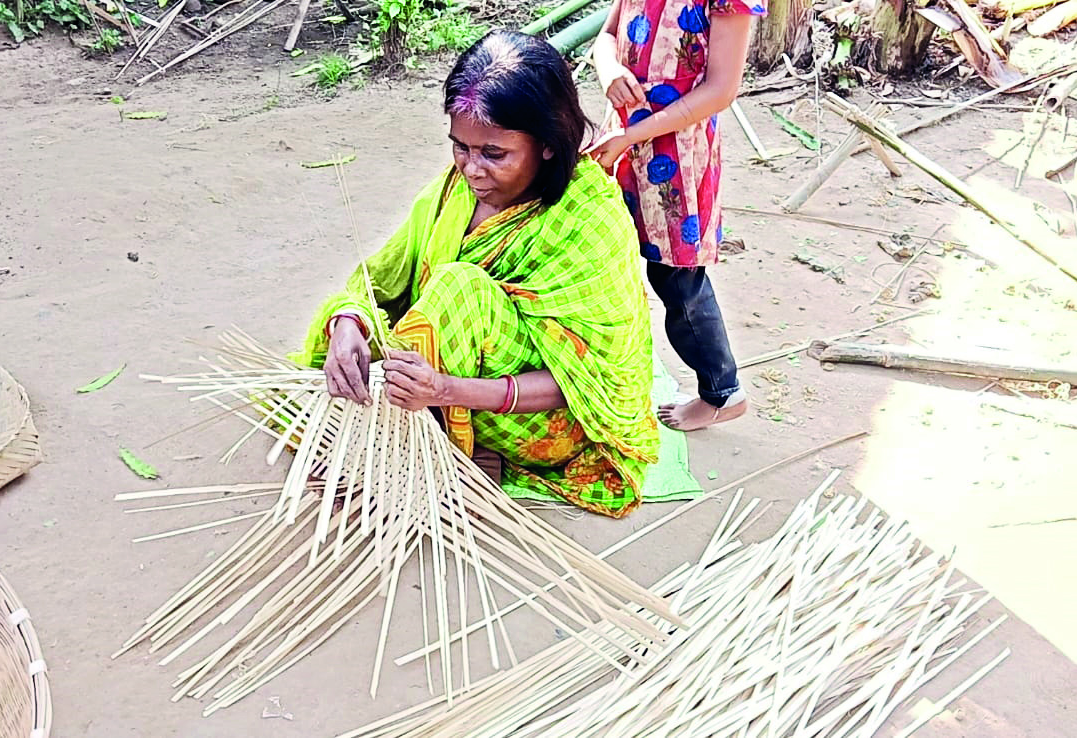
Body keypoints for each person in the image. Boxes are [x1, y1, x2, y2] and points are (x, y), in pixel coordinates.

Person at [293, 30, 659, 518]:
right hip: (435, 381)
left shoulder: (589, 221)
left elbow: (588, 380)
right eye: (460, 147)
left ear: (548, 145)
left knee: (457, 288)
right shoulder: (455, 190)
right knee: (353, 335)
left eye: (494, 153)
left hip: (543, 420)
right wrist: (349, 324)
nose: (471, 169)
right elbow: (379, 278)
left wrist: (445, 390)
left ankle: (428, 451)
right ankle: (422, 439)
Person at [587, 0, 764, 431]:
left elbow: (721, 90)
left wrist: (635, 134)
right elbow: (606, 37)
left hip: (678, 156)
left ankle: (723, 393)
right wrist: (609, 69)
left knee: (678, 279)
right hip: (623, 141)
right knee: (608, 253)